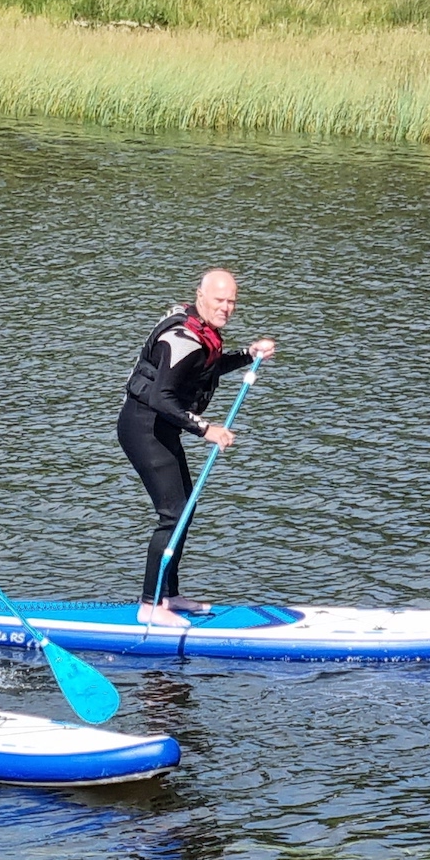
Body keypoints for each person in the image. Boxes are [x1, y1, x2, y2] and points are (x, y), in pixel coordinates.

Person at [119, 268, 275, 627]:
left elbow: (208, 367)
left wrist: (248, 354)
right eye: (219, 300)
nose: (226, 307)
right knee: (172, 514)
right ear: (199, 296)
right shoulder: (182, 338)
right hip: (143, 428)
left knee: (184, 508)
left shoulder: (200, 330)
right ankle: (149, 605)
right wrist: (207, 429)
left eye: (231, 301)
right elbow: (161, 397)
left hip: (161, 427)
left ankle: (168, 595)